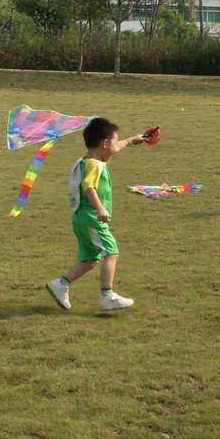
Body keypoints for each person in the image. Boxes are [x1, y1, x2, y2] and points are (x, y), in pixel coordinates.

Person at [45, 117, 148, 314]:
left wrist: (133, 139)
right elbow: (89, 186)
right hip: (92, 217)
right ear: (104, 144)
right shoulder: (94, 165)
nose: (116, 146)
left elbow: (115, 146)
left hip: (80, 217)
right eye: (114, 142)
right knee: (112, 252)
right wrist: (100, 208)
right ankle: (106, 296)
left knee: (90, 258)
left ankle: (60, 284)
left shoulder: (86, 160)